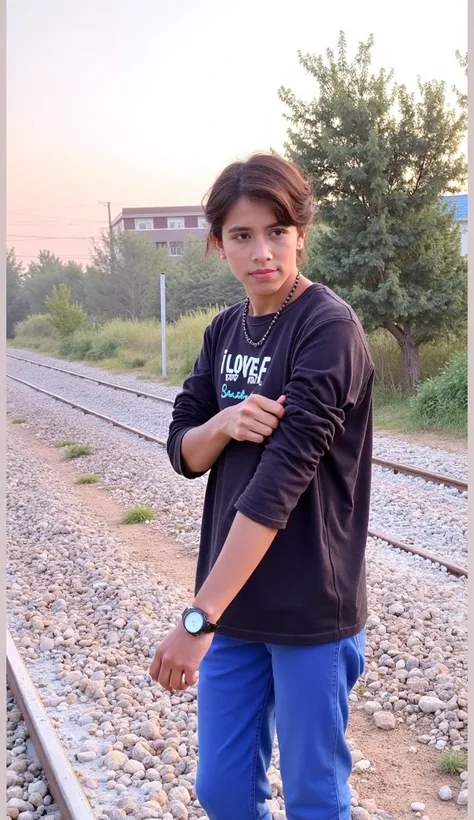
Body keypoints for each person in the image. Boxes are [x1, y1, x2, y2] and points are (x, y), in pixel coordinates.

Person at [149, 152, 374, 820]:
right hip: (238, 608)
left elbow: (279, 484)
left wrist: (197, 618)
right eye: (242, 235)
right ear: (219, 244)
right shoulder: (224, 331)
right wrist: (223, 420)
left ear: (300, 232)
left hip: (310, 609)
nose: (262, 252)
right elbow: (183, 452)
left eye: (276, 231)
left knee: (313, 796)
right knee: (220, 789)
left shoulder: (328, 329)